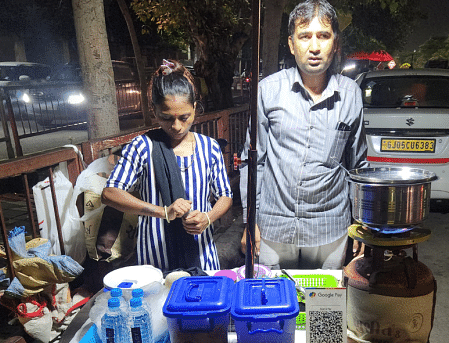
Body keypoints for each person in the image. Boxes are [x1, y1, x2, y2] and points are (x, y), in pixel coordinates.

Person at [239, 0, 367, 270]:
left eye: (323, 35)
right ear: (291, 43)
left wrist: (362, 222)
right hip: (274, 228)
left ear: (335, 42)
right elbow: (254, 163)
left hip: (331, 229)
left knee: (324, 306)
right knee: (274, 307)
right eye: (305, 36)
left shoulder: (351, 95)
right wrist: (250, 222)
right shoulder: (268, 91)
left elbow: (359, 166)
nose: (314, 46)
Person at [102, 59, 233, 272]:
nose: (176, 126)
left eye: (184, 117)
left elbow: (225, 195)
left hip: (202, 253)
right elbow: (109, 193)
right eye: (166, 117)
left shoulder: (209, 147)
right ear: (154, 111)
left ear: (195, 108)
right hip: (155, 257)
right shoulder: (143, 146)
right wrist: (162, 212)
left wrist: (208, 218)